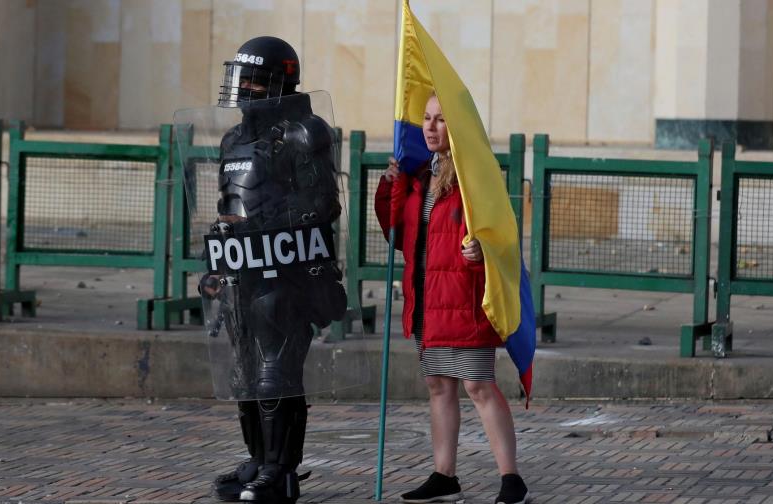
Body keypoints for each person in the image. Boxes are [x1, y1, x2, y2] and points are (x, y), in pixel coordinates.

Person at [199, 36, 346, 504]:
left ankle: (280, 471)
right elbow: (228, 205)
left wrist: (268, 226)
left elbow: (323, 204)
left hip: (286, 274)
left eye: (253, 80)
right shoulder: (233, 139)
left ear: (280, 82)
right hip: (241, 274)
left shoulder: (304, 132)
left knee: (274, 373)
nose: (242, 88)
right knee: (244, 374)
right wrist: (216, 257)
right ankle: (256, 460)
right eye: (239, 78)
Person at [374, 94, 529, 504]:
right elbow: (398, 233)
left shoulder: (473, 175)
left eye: (440, 120)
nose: (429, 127)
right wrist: (390, 186)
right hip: (427, 300)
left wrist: (482, 251)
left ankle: (512, 479)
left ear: (457, 125)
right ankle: (444, 476)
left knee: (478, 385)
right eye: (426, 118)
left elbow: (502, 236)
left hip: (463, 299)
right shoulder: (419, 175)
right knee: (438, 385)